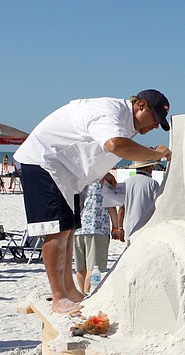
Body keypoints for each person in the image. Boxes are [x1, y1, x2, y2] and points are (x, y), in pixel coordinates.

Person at [14, 90, 172, 313]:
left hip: (70, 173)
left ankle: (70, 290)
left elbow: (94, 149)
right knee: (56, 230)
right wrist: (155, 154)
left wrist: (101, 173)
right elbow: (115, 145)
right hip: (43, 160)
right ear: (141, 105)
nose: (155, 126)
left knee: (68, 229)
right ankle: (59, 297)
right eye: (155, 118)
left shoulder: (126, 124)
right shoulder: (110, 113)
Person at [73, 178, 118, 293]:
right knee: (93, 269)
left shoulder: (78, 179)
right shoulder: (102, 182)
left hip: (77, 228)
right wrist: (116, 227)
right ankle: (88, 296)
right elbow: (111, 207)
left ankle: (83, 295)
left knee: (80, 268)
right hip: (97, 227)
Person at [120, 160, 162, 239]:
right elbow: (158, 206)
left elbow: (121, 209)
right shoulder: (152, 183)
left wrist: (120, 228)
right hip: (146, 227)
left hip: (129, 228)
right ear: (148, 168)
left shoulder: (126, 182)